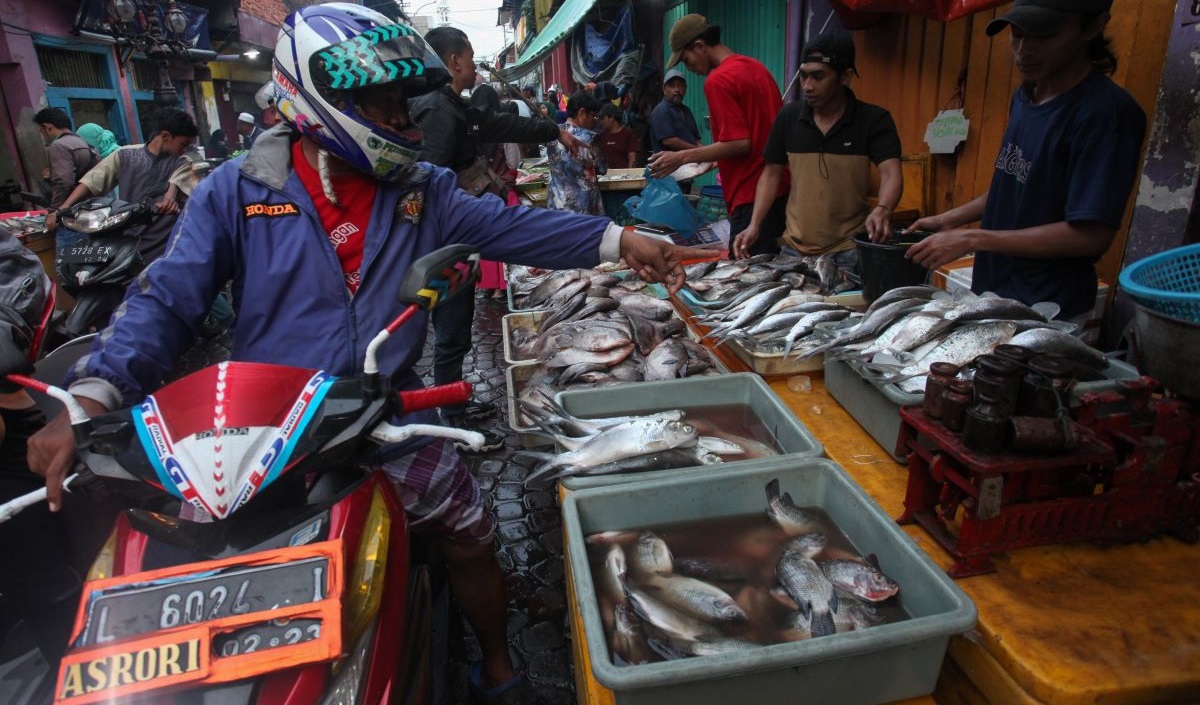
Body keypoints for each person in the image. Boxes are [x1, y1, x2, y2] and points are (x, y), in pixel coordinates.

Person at [23, 10, 709, 705]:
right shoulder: (237, 190)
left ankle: (498, 665)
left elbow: (513, 226)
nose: (401, 119)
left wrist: (618, 240)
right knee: (202, 570)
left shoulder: (423, 189)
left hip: (385, 415)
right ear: (323, 100)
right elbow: (166, 301)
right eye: (381, 102)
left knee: (471, 527)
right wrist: (92, 395)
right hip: (263, 431)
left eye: (401, 102)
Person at [905, 0, 1146, 322]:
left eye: (1043, 36)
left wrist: (972, 238)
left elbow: (1091, 235)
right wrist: (950, 218)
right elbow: (1015, 184)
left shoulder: (1106, 114)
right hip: (993, 292)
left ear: (1092, 26)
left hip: (1046, 308)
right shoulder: (1027, 96)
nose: (1024, 50)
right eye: (1017, 36)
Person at [411, 25, 584, 451]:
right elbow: (426, 184)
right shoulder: (436, 109)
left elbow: (501, 122)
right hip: (443, 243)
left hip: (457, 238)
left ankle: (454, 401)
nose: (473, 67)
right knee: (450, 330)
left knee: (459, 328)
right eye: (469, 58)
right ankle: (450, 421)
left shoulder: (455, 105)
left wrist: (554, 130)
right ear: (454, 61)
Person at [734, 33, 903, 266]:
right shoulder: (788, 117)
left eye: (818, 76)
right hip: (793, 250)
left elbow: (891, 172)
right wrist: (754, 224)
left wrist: (884, 208)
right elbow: (771, 173)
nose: (807, 86)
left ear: (845, 76)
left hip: (849, 250)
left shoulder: (873, 120)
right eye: (803, 75)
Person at [650, 15, 788, 257]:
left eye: (686, 59)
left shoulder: (718, 80)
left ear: (701, 46)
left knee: (749, 279)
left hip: (750, 195)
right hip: (779, 190)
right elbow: (760, 135)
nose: (688, 68)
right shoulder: (757, 68)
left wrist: (682, 157)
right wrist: (713, 160)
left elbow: (740, 143)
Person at [46, 108, 197, 262]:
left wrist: (169, 198)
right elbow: (92, 181)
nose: (185, 149)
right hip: (129, 241)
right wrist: (63, 207)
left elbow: (177, 183)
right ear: (165, 136)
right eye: (183, 143)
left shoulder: (183, 161)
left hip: (167, 244)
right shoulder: (125, 154)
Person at [32, 108, 99, 248]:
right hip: (91, 210)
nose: (42, 134)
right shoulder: (82, 143)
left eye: (41, 130)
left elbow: (63, 182)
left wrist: (55, 211)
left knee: (70, 264)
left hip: (72, 216)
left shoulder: (58, 146)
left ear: (47, 127)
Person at [546, 91, 605, 215]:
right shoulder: (590, 137)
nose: (593, 121)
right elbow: (602, 168)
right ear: (582, 112)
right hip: (582, 206)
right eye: (593, 116)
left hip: (557, 204)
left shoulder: (553, 133)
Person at [648, 69, 701, 153]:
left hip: (690, 161)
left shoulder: (686, 110)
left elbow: (696, 140)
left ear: (685, 88)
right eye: (672, 86)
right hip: (669, 164)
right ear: (664, 89)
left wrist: (707, 154)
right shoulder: (661, 110)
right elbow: (669, 141)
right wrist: (698, 151)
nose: (677, 90)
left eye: (680, 86)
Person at [596, 103, 638, 169]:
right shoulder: (601, 136)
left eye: (602, 118)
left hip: (623, 175)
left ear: (611, 117)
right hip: (606, 177)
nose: (601, 121)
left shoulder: (628, 134)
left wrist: (630, 176)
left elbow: (632, 158)